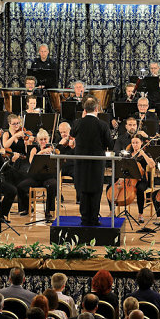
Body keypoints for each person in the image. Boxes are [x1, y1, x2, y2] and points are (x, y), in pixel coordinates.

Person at [70, 97, 114, 226]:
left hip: (81, 162)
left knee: (83, 188)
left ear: (84, 110)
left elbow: (72, 133)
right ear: (96, 109)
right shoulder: (102, 125)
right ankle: (94, 218)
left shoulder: (78, 123)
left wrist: (82, 118)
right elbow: (109, 144)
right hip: (97, 162)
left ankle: (85, 218)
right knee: (96, 189)